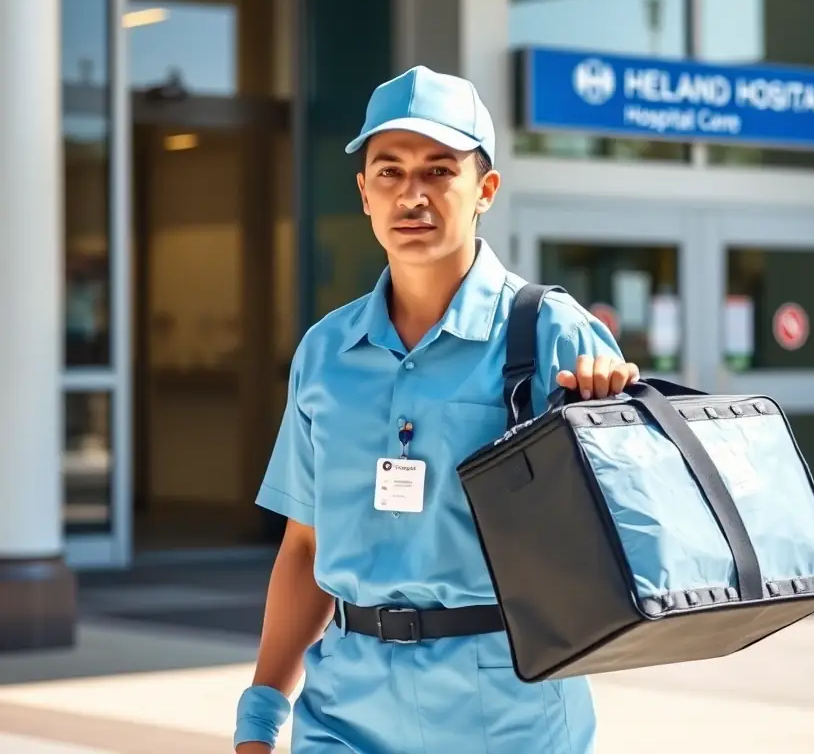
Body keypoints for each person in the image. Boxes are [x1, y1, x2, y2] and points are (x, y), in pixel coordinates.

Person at [234, 65, 638, 754]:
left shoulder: (552, 336)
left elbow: (627, 539)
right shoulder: (326, 351)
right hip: (344, 715)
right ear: (363, 194)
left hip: (508, 716)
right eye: (388, 172)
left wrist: (615, 422)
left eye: (438, 170)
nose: (411, 194)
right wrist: (261, 714)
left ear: (484, 190)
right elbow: (304, 547)